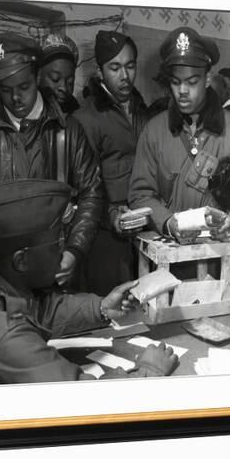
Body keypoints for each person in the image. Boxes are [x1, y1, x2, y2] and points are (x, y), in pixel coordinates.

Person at [0, 179, 178, 386]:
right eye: (56, 243)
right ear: (21, 260)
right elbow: (90, 406)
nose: (63, 251)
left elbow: (37, 311)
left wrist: (101, 308)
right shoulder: (6, 337)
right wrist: (147, 371)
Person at [0, 33, 103, 286]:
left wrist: (75, 251)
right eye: (6, 90)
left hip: (56, 270)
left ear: (37, 77)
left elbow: (91, 195)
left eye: (24, 87)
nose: (15, 98)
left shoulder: (69, 131)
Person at [128, 26, 230, 251]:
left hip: (221, 254)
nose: (182, 91)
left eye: (192, 81)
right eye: (176, 82)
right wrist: (167, 222)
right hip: (171, 259)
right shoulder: (154, 131)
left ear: (207, 79)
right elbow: (141, 193)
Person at [73, 30, 167, 294]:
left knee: (150, 308)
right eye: (114, 68)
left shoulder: (143, 112)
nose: (124, 76)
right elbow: (84, 188)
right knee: (115, 311)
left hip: (147, 232)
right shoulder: (86, 119)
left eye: (130, 66)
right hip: (107, 240)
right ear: (100, 71)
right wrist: (110, 215)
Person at [38, 33, 80, 114]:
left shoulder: (79, 119)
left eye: (70, 82)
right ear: (37, 76)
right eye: (55, 79)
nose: (63, 88)